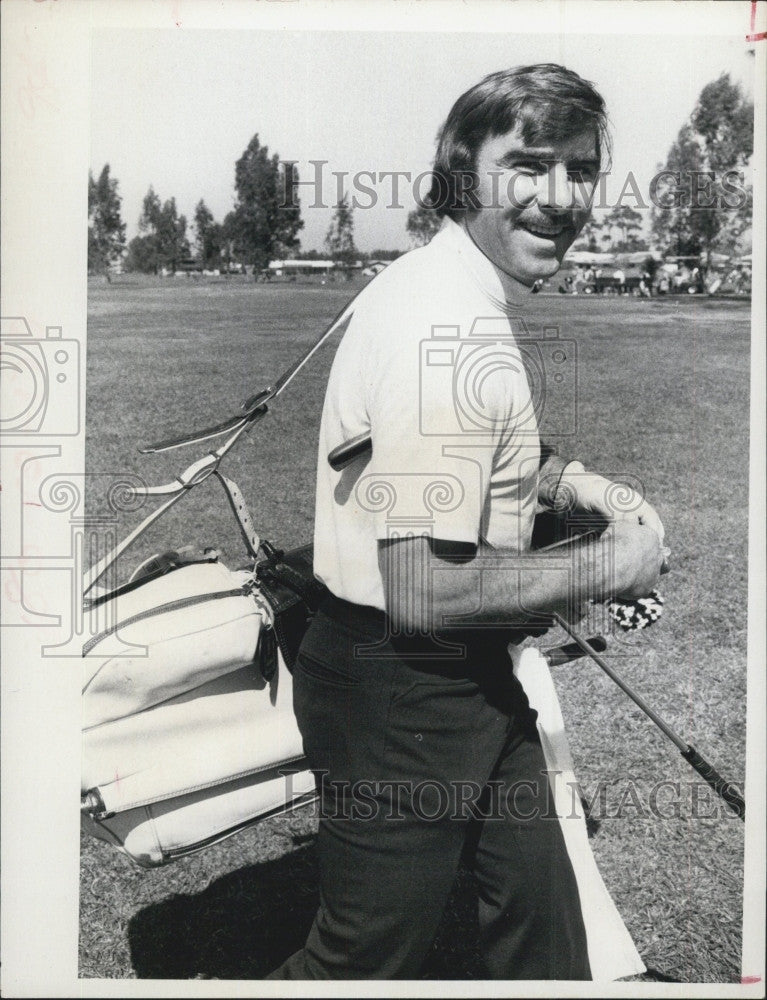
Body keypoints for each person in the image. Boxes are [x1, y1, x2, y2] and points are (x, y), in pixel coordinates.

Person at [268, 63, 665, 981]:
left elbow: (476, 456)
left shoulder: (443, 288)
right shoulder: (440, 324)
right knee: (361, 961)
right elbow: (422, 589)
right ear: (461, 172)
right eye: (528, 165)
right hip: (402, 691)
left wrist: (583, 485)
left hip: (460, 679)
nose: (560, 197)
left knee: (541, 934)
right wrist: (611, 568)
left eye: (578, 170)